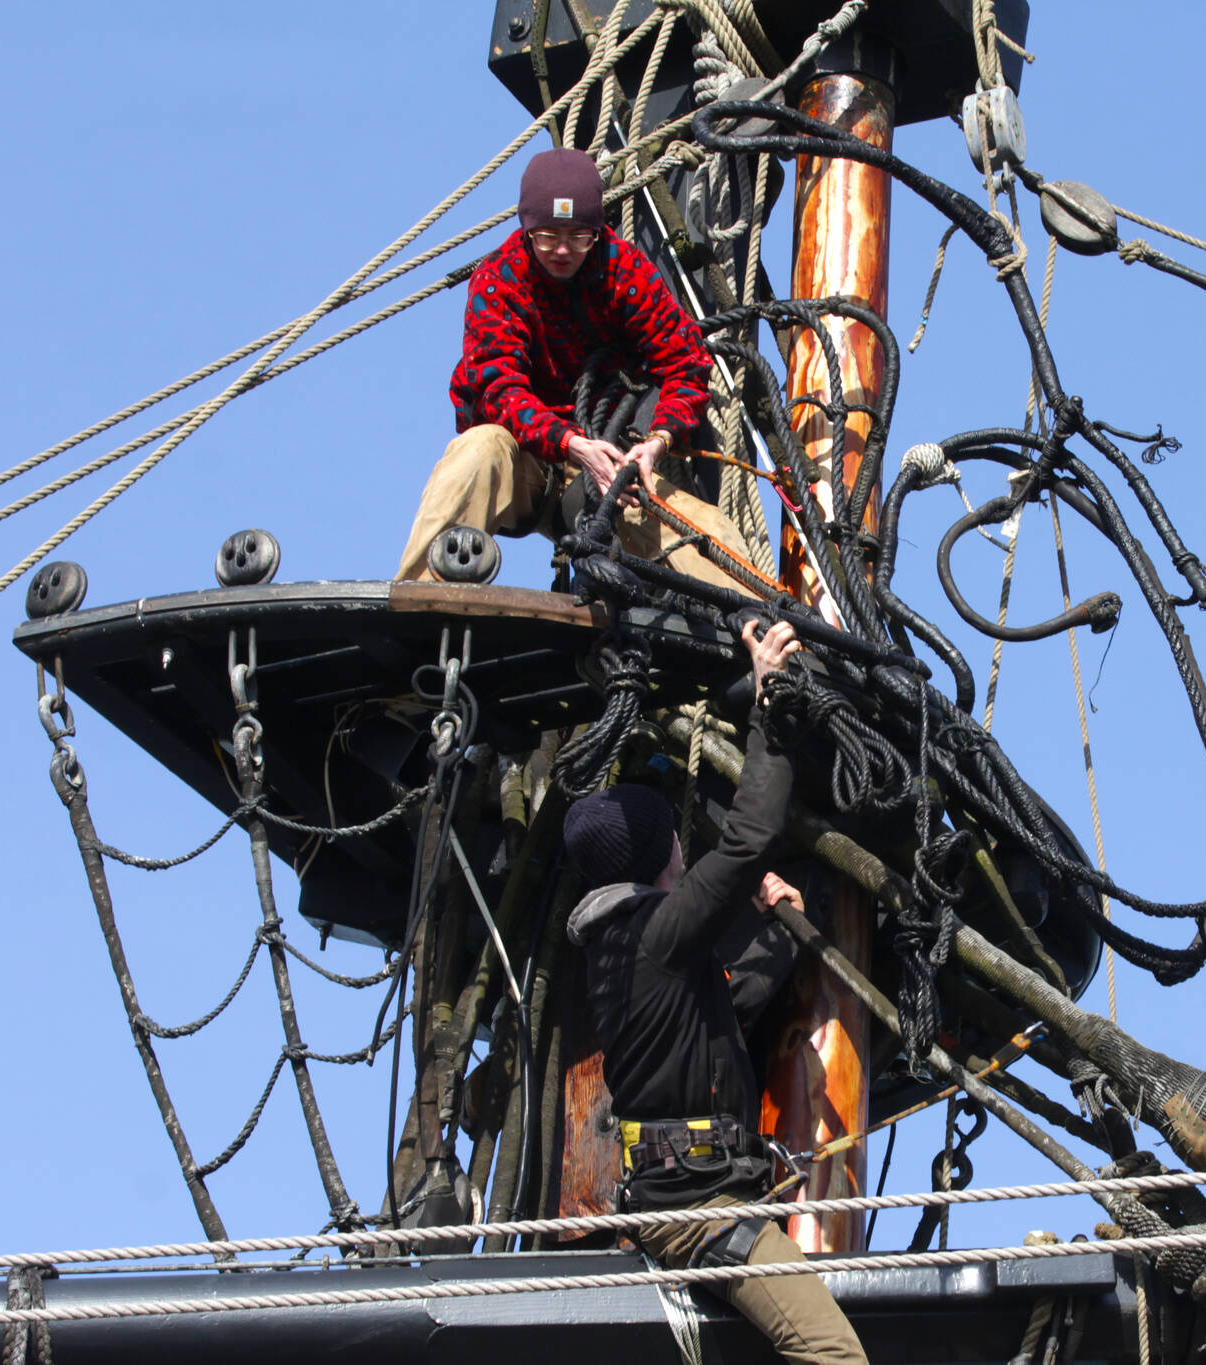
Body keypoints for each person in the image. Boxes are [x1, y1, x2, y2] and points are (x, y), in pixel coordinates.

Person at [561, 620, 866, 1365]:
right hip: (701, 1214)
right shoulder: (658, 935)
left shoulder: (629, 946)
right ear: (658, 853)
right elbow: (750, 837)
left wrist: (764, 922)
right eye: (672, 835)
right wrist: (769, 702)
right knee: (834, 1356)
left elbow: (714, 1013)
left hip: (692, 1195)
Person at [396, 146, 749, 589]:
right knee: (477, 450)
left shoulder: (625, 273)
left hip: (604, 466)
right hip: (522, 459)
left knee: (707, 532)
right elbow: (497, 388)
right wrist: (569, 442)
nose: (562, 250)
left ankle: (767, 637)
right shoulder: (499, 280)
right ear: (526, 229)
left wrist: (657, 442)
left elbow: (686, 365)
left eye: (579, 236)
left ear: (597, 232)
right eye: (547, 235)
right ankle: (419, 595)